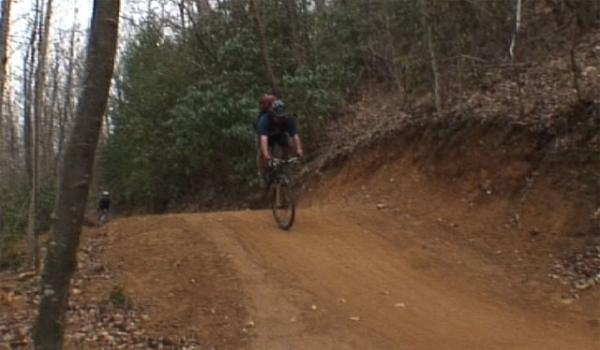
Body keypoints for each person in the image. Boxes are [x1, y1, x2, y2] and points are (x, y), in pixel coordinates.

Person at [255, 94, 304, 187]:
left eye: (282, 117)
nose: (280, 119)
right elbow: (263, 138)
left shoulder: (288, 119)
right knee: (262, 154)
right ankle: (263, 175)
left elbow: (295, 135)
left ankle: (283, 168)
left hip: (279, 135)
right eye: (278, 117)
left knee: (289, 145)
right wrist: (266, 155)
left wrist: (299, 150)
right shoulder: (264, 119)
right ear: (272, 114)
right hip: (266, 136)